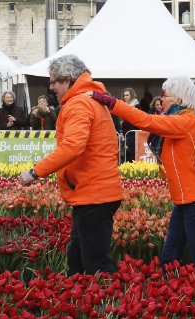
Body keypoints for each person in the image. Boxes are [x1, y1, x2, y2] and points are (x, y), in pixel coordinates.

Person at [89, 77, 195, 266]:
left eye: (166, 96)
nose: (161, 99)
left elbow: (147, 121)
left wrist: (113, 103)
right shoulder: (179, 121)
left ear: (179, 101)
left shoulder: (185, 121)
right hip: (185, 200)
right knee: (169, 259)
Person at [18, 55, 123, 275]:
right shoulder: (88, 99)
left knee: (95, 266)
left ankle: (111, 306)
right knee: (77, 261)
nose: (50, 86)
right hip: (92, 192)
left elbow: (73, 146)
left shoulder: (79, 103)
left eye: (53, 81)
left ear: (67, 79)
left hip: (94, 193)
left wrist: (34, 172)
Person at [118, 87, 141, 162]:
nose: (125, 97)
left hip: (133, 136)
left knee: (132, 157)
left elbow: (135, 121)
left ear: (132, 95)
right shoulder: (124, 106)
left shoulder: (136, 106)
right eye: (124, 95)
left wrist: (124, 122)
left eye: (127, 95)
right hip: (126, 135)